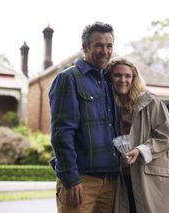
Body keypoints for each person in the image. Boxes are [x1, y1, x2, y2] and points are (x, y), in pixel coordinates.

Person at [49, 21, 119, 213]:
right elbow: (61, 134)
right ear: (85, 47)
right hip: (81, 181)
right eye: (99, 45)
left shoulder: (109, 81)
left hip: (112, 181)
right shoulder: (68, 79)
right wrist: (70, 179)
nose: (105, 51)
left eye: (109, 46)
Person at [108, 57, 169, 213]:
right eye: (117, 75)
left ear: (134, 79)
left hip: (150, 176)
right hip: (121, 177)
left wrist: (140, 150)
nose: (123, 80)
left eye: (128, 76)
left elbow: (166, 137)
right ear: (110, 78)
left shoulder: (151, 102)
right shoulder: (109, 107)